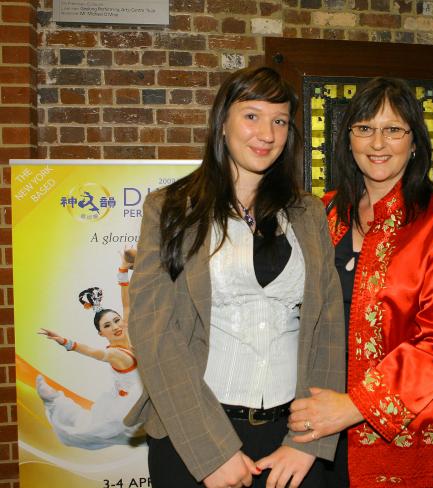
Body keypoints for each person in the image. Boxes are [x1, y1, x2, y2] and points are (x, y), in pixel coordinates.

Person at [123, 67, 345, 488]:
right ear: (222, 122)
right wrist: (212, 452)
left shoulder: (308, 212)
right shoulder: (170, 208)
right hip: (194, 431)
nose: (267, 133)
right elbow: (154, 333)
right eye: (252, 115)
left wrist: (308, 440)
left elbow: (328, 329)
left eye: (279, 121)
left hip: (290, 438)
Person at [286, 77, 433, 487]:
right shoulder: (321, 215)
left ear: (414, 142)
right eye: (365, 128)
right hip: (316, 430)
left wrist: (355, 406)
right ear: (348, 139)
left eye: (393, 129)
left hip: (404, 436)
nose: (378, 143)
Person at [36, 251, 143, 450]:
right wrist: (66, 342)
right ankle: (54, 401)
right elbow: (93, 352)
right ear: (102, 334)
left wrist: (123, 269)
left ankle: (55, 402)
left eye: (116, 321)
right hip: (127, 410)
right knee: (84, 433)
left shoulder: (127, 328)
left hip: (140, 400)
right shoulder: (115, 354)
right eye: (108, 326)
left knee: (90, 424)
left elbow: (126, 303)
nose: (116, 326)